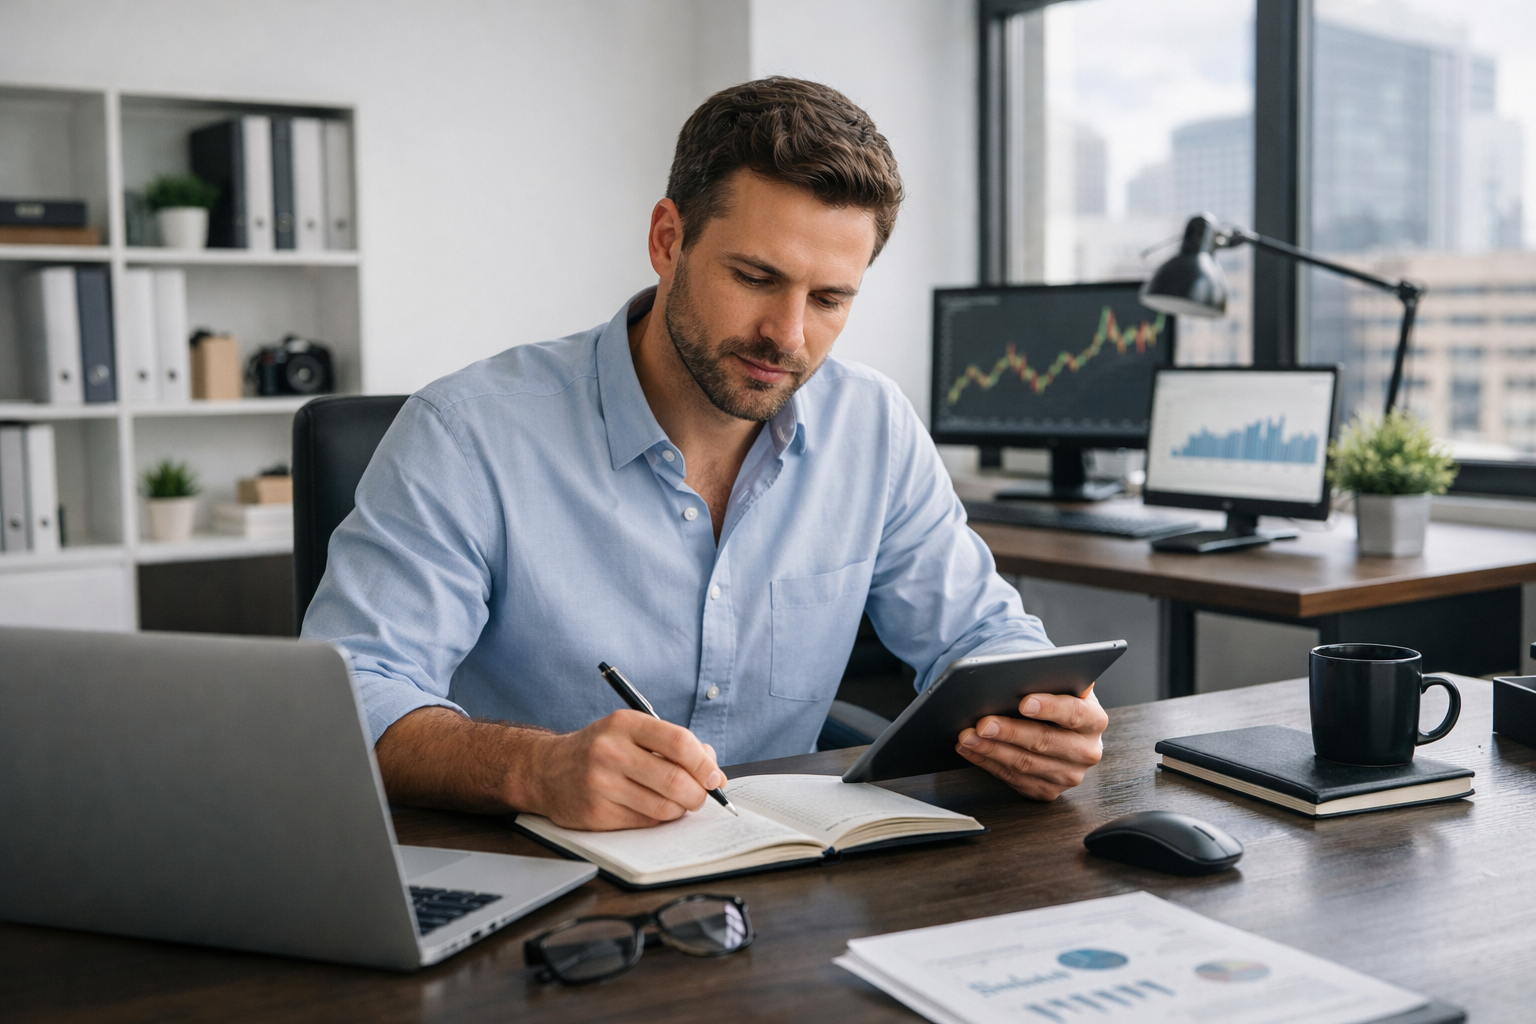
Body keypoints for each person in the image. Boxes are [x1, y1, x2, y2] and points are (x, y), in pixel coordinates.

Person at [303, 77, 1108, 832]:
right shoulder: (467, 432)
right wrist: (537, 768)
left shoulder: (873, 426)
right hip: (538, 871)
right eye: (756, 277)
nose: (789, 337)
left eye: (830, 299)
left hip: (786, 871)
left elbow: (979, 638)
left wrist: (1040, 715)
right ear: (667, 239)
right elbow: (348, 698)